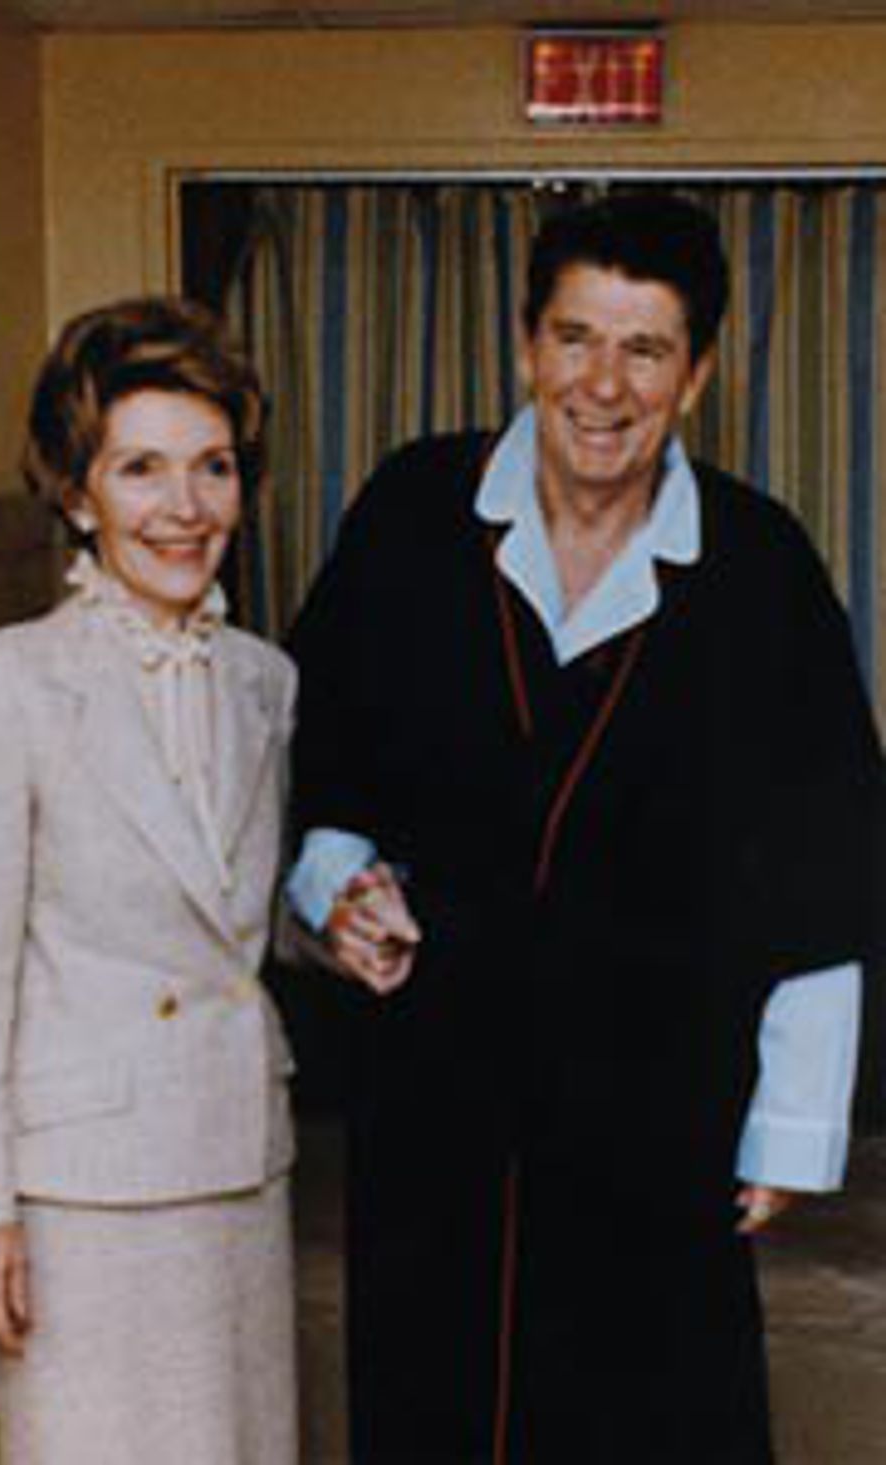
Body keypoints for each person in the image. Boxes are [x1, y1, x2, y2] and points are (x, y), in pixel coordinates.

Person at [285, 193, 883, 1464]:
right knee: (433, 1406)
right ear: (524, 345)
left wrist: (790, 1120)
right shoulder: (412, 512)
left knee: (650, 1419)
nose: (602, 386)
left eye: (644, 348)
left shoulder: (758, 569)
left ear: (697, 373)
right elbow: (319, 755)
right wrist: (336, 882)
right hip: (435, 1092)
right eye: (574, 338)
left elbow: (825, 860)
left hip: (655, 1106)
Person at [0, 297, 298, 1465]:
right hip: (82, 1193)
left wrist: (342, 917)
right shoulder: (9, 682)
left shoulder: (264, 681)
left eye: (212, 466)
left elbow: (229, 912)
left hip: (240, 1159)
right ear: (78, 495)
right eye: (141, 468)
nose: (185, 506)